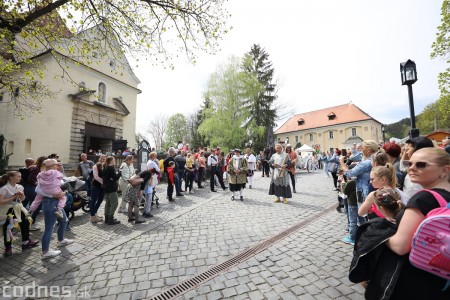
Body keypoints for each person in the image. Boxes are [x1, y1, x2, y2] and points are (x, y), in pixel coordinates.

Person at [381, 147, 450, 299]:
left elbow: (400, 246)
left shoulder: (422, 199)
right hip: (442, 277)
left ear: (444, 171)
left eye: (421, 164)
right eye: (409, 163)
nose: (411, 168)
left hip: (418, 278)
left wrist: (379, 235)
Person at [349, 187, 405, 297]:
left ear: (381, 209)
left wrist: (361, 277)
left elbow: (362, 253)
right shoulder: (407, 226)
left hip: (378, 276)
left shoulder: (373, 228)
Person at [339, 140, 379, 245]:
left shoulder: (367, 163)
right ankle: (363, 236)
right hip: (367, 189)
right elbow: (356, 156)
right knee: (363, 215)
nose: (361, 149)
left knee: (364, 215)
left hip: (363, 191)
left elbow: (349, 173)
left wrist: (342, 163)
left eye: (363, 148)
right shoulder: (374, 158)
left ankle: (365, 238)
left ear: (369, 150)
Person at [0, 171, 39, 257]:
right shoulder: (4, 188)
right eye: (18, 176)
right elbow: (1, 201)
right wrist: (13, 197)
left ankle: (26, 242)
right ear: (11, 177)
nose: (20, 178)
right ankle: (8, 247)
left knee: (25, 223)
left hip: (18, 208)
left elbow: (22, 199)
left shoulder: (20, 186)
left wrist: (21, 196)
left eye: (20, 176)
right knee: (8, 228)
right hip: (7, 210)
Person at [102, 156, 121, 225]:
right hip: (111, 188)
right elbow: (115, 178)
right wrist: (120, 172)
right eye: (114, 160)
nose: (115, 160)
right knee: (115, 203)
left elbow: (104, 176)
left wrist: (111, 178)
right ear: (111, 161)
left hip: (106, 188)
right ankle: (110, 218)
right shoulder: (111, 168)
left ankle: (107, 218)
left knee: (108, 203)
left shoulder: (105, 167)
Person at [90, 154, 106, 223]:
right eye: (101, 159)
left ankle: (95, 213)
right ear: (99, 159)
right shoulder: (95, 166)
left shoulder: (105, 166)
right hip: (96, 186)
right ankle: (92, 216)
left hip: (102, 187)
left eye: (104, 159)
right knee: (93, 201)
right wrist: (103, 182)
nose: (102, 160)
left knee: (100, 200)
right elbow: (96, 177)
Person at [143, 152, 160, 218]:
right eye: (155, 155)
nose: (156, 156)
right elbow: (158, 169)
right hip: (150, 182)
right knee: (149, 198)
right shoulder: (152, 163)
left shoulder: (149, 162)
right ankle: (147, 212)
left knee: (148, 197)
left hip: (148, 181)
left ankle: (145, 211)